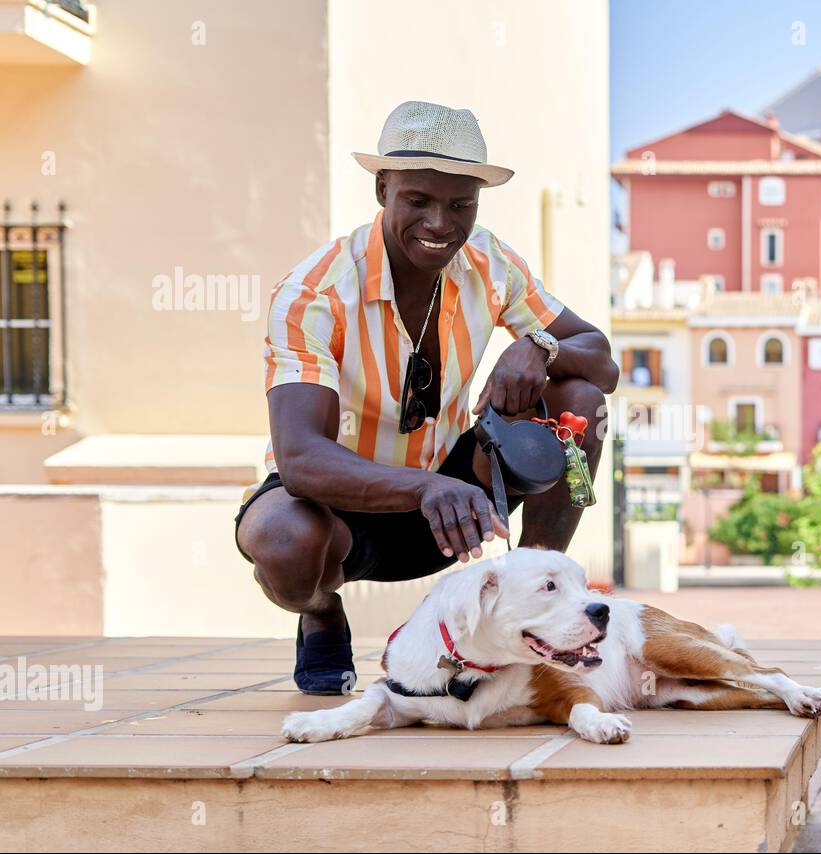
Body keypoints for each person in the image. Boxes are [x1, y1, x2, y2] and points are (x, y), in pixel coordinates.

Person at [234, 101, 617, 693]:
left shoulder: (489, 260)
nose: (441, 224)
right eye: (418, 201)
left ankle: (540, 603)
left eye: (460, 205)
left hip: (455, 488)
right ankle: (320, 609)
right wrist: (426, 488)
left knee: (580, 398)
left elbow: (599, 359)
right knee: (283, 540)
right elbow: (302, 458)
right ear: (384, 188)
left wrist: (540, 347)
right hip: (341, 505)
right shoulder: (313, 292)